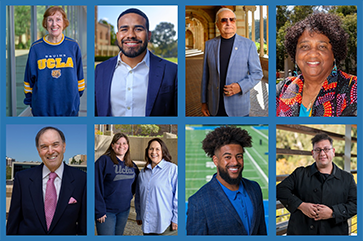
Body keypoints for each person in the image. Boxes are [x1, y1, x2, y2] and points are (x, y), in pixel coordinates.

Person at [95, 8, 177, 116]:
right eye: (124, 29)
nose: (131, 35)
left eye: (138, 29)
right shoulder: (100, 70)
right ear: (117, 35)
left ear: (149, 35)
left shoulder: (172, 71)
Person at [186, 126, 267, 235]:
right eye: (227, 157)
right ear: (216, 160)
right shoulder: (198, 203)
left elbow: (261, 231)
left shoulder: (255, 188)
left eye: (239, 156)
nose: (235, 162)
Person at [6, 126, 87, 235]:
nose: (50, 151)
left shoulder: (82, 179)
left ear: (64, 146)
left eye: (55, 145)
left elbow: (84, 226)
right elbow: (13, 222)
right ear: (39, 151)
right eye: (44, 147)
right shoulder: (22, 179)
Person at [276, 13, 357, 117]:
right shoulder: (283, 88)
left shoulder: (354, 89)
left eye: (322, 46)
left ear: (334, 54)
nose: (313, 53)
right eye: (304, 46)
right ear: (295, 53)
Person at [276, 133, 357, 235]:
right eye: (318, 150)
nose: (322, 153)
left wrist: (333, 213)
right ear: (313, 153)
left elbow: (356, 204)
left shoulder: (347, 178)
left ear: (333, 152)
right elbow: (279, 190)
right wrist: (301, 205)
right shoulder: (300, 173)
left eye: (326, 149)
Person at [23, 6, 85, 116]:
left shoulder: (73, 46)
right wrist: (31, 102)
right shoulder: (36, 48)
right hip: (42, 108)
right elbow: (29, 79)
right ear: (45, 23)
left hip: (69, 107)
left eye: (58, 19)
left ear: (64, 23)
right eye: (50, 20)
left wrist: (75, 97)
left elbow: (79, 75)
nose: (54, 24)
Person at [201, 8, 263, 117]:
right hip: (214, 106)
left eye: (232, 19)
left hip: (238, 107)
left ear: (235, 22)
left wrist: (240, 86)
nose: (228, 23)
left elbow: (257, 73)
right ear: (217, 25)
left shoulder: (248, 45)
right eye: (224, 20)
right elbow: (206, 76)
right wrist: (204, 102)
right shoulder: (209, 45)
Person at [95, 133, 139, 235]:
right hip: (107, 211)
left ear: (128, 145)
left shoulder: (132, 165)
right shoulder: (104, 161)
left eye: (124, 143)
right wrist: (99, 210)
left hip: (124, 210)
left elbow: (136, 185)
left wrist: (128, 197)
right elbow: (94, 186)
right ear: (112, 145)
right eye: (118, 143)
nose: (121, 146)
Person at [135, 138, 178, 235]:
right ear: (147, 151)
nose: (154, 152)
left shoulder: (172, 169)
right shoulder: (143, 172)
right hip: (147, 225)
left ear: (163, 151)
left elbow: (177, 196)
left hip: (165, 225)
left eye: (157, 149)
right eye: (151, 149)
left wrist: (176, 218)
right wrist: (139, 214)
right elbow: (139, 196)